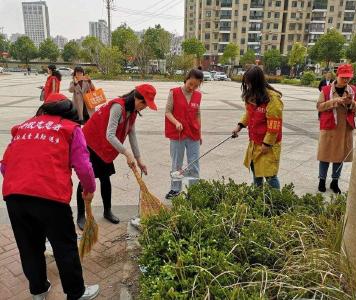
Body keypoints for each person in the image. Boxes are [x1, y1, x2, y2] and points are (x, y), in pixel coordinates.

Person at [0, 93, 100, 300]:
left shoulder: (24, 127)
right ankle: (76, 292)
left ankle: (38, 291)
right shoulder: (71, 129)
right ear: (70, 113)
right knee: (64, 246)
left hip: (15, 196)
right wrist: (89, 189)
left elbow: (4, 165)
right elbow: (83, 166)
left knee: (29, 246)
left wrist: (22, 181)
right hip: (51, 197)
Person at [76, 84, 157, 230]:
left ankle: (107, 211)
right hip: (91, 143)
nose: (144, 108)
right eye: (145, 105)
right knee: (85, 179)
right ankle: (81, 215)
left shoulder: (132, 111)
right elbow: (110, 134)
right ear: (138, 100)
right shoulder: (118, 107)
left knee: (105, 177)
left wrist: (139, 160)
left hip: (105, 146)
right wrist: (126, 153)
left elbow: (131, 134)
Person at [232, 65, 284, 189]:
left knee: (270, 175)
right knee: (256, 172)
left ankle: (278, 200)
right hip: (255, 143)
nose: (248, 86)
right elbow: (249, 114)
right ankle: (258, 196)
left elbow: (274, 125)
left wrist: (267, 144)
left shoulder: (272, 99)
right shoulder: (251, 96)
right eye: (246, 83)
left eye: (250, 83)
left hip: (268, 146)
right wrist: (239, 126)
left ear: (257, 82)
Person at [317, 64, 356, 194]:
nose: (346, 80)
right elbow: (319, 107)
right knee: (325, 155)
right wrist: (335, 101)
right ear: (338, 75)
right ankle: (322, 180)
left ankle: (335, 181)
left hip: (344, 128)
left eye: (348, 78)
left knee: (340, 156)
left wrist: (351, 103)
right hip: (329, 127)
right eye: (343, 77)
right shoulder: (326, 90)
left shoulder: (353, 90)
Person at [165, 69, 204, 199]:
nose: (192, 87)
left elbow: (197, 114)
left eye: (196, 85)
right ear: (186, 79)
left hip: (193, 134)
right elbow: (168, 112)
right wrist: (176, 122)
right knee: (177, 163)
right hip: (178, 134)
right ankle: (175, 189)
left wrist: (200, 133)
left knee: (194, 163)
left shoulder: (198, 95)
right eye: (190, 84)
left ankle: (194, 191)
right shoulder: (174, 92)